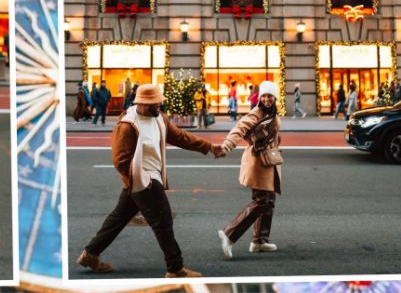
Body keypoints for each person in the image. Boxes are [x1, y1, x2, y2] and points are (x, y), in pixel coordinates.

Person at [76, 83, 219, 278]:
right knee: (163, 221)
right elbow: (120, 160)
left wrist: (208, 146)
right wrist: (140, 181)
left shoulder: (159, 118)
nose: (160, 105)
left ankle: (90, 254)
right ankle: (175, 268)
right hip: (144, 181)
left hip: (143, 180)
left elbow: (180, 137)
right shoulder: (128, 124)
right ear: (144, 103)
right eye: (156, 102)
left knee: (118, 219)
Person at [216, 80, 282, 259]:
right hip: (258, 163)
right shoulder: (256, 114)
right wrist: (227, 146)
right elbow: (239, 129)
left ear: (275, 98)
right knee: (261, 200)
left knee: (268, 201)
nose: (267, 99)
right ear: (260, 97)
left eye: (270, 96)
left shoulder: (274, 115)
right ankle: (229, 235)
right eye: (265, 96)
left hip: (269, 162)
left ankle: (259, 241)